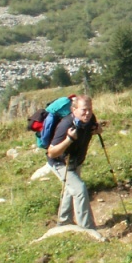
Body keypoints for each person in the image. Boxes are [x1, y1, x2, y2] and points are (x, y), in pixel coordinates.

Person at [45, 94, 100, 230]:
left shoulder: (90, 119)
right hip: (60, 163)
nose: (87, 113)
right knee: (80, 189)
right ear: (74, 110)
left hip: (76, 161)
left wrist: (98, 130)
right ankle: (87, 228)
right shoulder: (65, 125)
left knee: (71, 189)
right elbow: (51, 152)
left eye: (90, 109)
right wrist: (69, 139)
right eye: (84, 110)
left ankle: (64, 221)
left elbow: (91, 130)